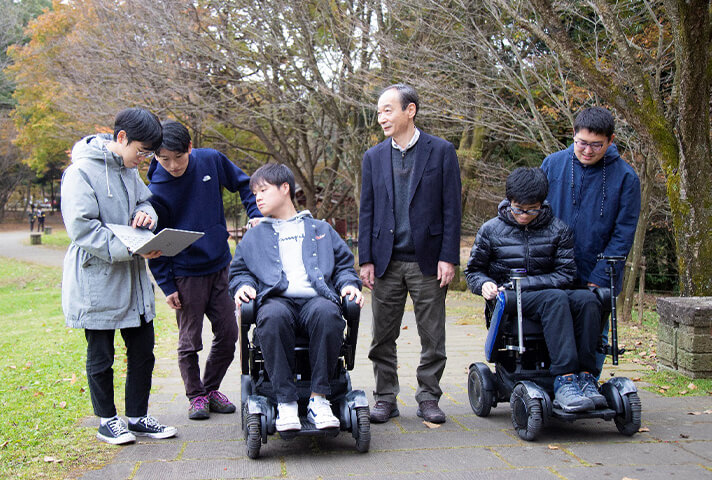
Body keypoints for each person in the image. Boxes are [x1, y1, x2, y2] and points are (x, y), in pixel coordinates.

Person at [61, 108, 177, 445]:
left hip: (134, 279)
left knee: (143, 350)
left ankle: (138, 416)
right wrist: (131, 249)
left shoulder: (129, 170)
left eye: (148, 154)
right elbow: (83, 228)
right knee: (102, 354)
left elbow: (146, 202)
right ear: (121, 138)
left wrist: (146, 214)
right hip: (97, 277)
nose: (143, 160)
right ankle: (107, 420)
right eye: (141, 151)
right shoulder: (80, 172)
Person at [229, 163, 364, 432]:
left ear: (285, 188)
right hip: (276, 300)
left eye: (264, 190)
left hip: (316, 299)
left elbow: (343, 267)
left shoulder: (321, 229)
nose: (258, 197)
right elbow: (239, 271)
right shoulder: (253, 237)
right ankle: (286, 403)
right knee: (271, 316)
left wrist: (349, 284)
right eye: (255, 192)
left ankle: (319, 400)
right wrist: (242, 286)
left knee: (329, 313)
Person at [358, 84, 461, 424]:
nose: (381, 117)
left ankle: (429, 397)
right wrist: (366, 259)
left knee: (433, 336)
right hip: (386, 261)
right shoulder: (373, 157)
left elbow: (451, 208)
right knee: (381, 337)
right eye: (378, 112)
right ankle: (385, 397)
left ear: (410, 110)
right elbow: (367, 210)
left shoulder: (442, 151)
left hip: (428, 260)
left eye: (387, 110)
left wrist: (449, 256)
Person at [464, 167, 606, 412]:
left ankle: (586, 375)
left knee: (588, 299)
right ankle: (565, 379)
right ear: (509, 202)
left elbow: (566, 274)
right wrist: (484, 284)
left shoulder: (558, 230)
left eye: (531, 210)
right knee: (555, 299)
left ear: (542, 203)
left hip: (546, 291)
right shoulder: (491, 230)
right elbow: (473, 271)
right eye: (518, 209)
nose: (524, 215)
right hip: (510, 300)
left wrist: (526, 284)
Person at [147, 120, 262, 420]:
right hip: (185, 273)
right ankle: (195, 395)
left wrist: (256, 214)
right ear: (156, 156)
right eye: (164, 159)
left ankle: (210, 389)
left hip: (220, 265)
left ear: (190, 148)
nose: (172, 165)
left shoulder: (210, 159)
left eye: (178, 157)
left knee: (229, 333)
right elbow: (155, 243)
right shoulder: (156, 188)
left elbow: (243, 183)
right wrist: (167, 285)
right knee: (190, 340)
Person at [541, 107, 640, 374]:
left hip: (598, 271)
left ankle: (588, 381)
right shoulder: (552, 164)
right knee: (552, 326)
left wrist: (602, 274)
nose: (587, 151)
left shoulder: (627, 178)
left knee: (595, 331)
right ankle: (554, 381)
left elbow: (624, 231)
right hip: (553, 269)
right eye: (582, 143)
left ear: (610, 140)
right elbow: (537, 213)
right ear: (573, 134)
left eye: (596, 145)